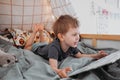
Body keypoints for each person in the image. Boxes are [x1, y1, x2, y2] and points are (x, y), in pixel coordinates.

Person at [24, 15, 107, 78]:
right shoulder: (54, 48)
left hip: (46, 45)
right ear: (61, 37)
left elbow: (80, 55)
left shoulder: (71, 45)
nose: (78, 37)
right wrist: (60, 71)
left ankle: (41, 31)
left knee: (44, 43)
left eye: (78, 34)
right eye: (74, 34)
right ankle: (35, 31)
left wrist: (96, 55)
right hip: (38, 48)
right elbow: (53, 67)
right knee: (27, 48)